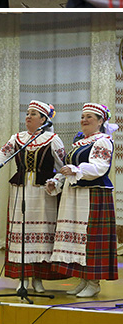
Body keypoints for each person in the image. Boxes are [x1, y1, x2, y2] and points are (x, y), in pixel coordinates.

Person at [0, 101, 65, 293]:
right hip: (21, 190)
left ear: (43, 119)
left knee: (41, 234)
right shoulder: (17, 138)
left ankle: (38, 278)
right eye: (27, 113)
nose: (28, 117)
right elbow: (2, 155)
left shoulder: (53, 139)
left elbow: (62, 167)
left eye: (33, 114)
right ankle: (22, 278)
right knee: (21, 233)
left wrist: (56, 181)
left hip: (43, 194)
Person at [47, 103, 118, 299]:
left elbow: (99, 167)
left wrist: (77, 171)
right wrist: (57, 181)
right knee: (77, 235)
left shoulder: (103, 141)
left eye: (90, 117)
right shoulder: (80, 141)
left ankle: (93, 282)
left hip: (93, 194)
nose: (84, 120)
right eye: (83, 116)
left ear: (101, 121)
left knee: (90, 236)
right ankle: (84, 278)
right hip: (76, 194)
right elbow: (70, 166)